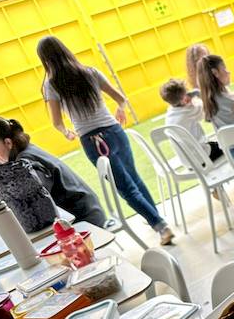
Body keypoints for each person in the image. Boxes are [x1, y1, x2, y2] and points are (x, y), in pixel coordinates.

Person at [37, 36, 174, 245]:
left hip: (93, 141)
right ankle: (156, 220)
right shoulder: (90, 72)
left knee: (126, 188)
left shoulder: (51, 84)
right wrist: (120, 109)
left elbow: (57, 122)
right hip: (115, 131)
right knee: (134, 179)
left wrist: (67, 132)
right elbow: (121, 98)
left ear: (45, 59)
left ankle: (160, 226)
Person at [0, 116, 105, 226]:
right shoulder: (25, 151)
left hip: (84, 219)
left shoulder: (27, 160)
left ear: (8, 143)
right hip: (81, 213)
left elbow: (29, 199)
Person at [160, 78, 223, 163]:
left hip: (188, 161)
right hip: (201, 158)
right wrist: (198, 93)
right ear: (184, 99)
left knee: (214, 144)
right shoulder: (188, 112)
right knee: (226, 146)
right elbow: (208, 109)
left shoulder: (171, 112)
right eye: (186, 93)